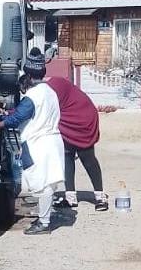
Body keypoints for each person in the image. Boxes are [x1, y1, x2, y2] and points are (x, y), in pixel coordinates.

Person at [0, 48, 64, 235]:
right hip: (53, 142)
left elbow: (17, 119)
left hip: (39, 143)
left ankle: (43, 222)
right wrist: (8, 113)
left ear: (28, 75)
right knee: (48, 184)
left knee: (41, 184)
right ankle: (45, 219)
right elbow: (23, 114)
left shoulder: (33, 96)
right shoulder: (50, 92)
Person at [45, 75, 108, 211]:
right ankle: (71, 198)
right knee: (67, 157)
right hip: (65, 121)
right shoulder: (53, 90)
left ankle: (100, 197)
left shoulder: (59, 89)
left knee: (88, 159)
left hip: (83, 122)